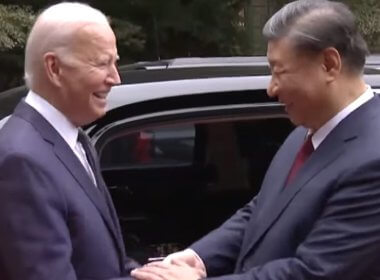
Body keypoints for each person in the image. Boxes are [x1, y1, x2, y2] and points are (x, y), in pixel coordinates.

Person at [131, 0, 380, 279]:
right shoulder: (304, 133)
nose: (271, 89)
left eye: (279, 72)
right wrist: (199, 257)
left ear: (329, 64)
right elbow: (262, 211)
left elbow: (315, 272)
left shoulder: (372, 160)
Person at [0, 2, 139, 280]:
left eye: (115, 62)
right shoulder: (21, 160)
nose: (116, 78)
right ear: (54, 68)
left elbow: (101, 263)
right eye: (102, 63)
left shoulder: (73, 136)